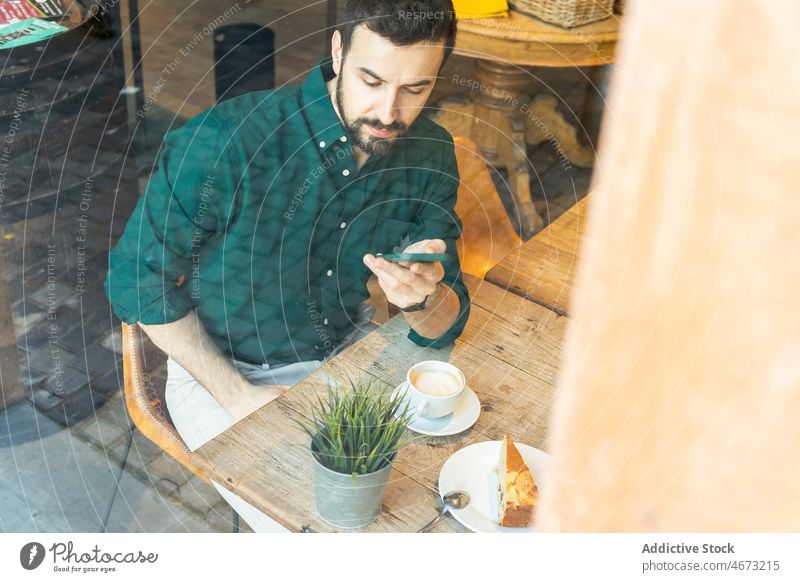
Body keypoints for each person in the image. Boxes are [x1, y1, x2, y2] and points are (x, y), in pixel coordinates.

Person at [104, 0, 470, 531]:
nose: (390, 112)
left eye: (415, 89)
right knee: (323, 535)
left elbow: (444, 324)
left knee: (450, 502)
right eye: (372, 80)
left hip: (350, 352)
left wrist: (426, 300)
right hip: (227, 372)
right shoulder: (225, 143)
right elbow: (136, 281)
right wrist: (238, 397)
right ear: (338, 52)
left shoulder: (431, 152)